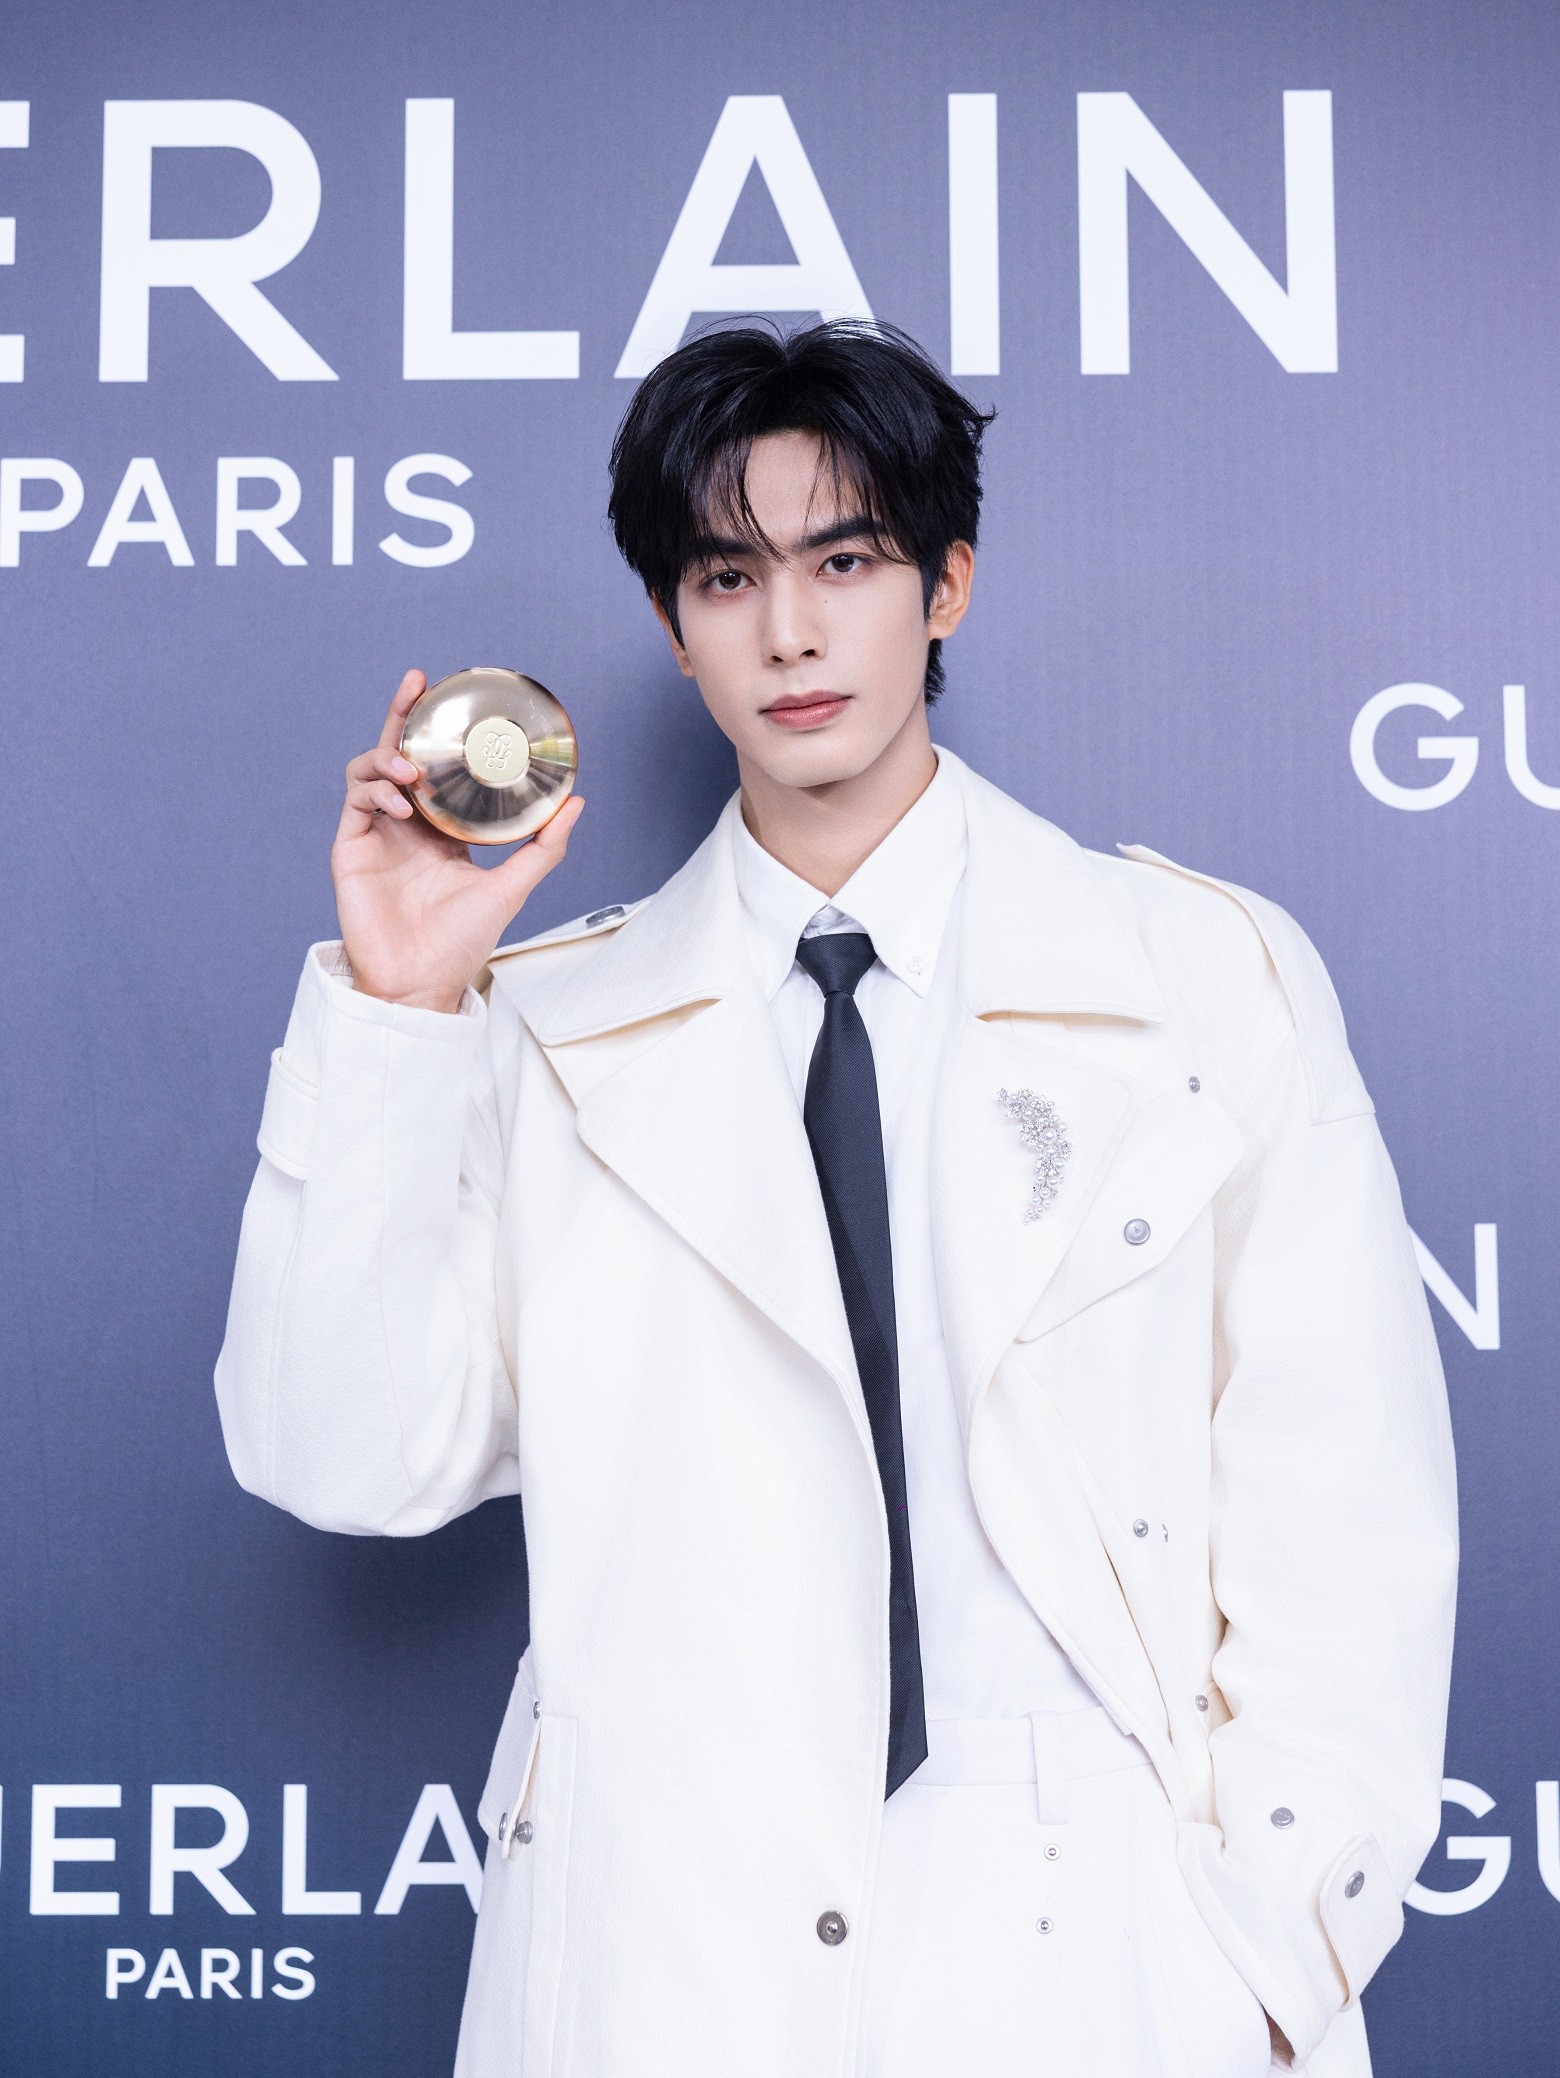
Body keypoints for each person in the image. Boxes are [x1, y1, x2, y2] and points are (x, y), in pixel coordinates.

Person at [215, 320, 1457, 2078]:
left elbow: (1344, 1503)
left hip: (1101, 1946)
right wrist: (398, 1009)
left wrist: (1272, 1945)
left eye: (846, 560)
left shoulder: (1204, 976)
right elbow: (340, 1457)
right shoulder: (539, 1025)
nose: (789, 632)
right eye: (728, 577)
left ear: (947, 584)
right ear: (675, 626)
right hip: (662, 1963)